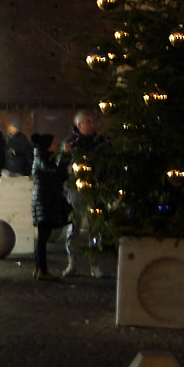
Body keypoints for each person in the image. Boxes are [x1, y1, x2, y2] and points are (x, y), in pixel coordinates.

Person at [64, 109, 108, 275]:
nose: (92, 124)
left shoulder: (99, 141)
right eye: (88, 121)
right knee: (73, 227)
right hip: (76, 190)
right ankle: (72, 263)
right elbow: (62, 164)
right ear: (79, 124)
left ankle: (95, 264)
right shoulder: (70, 142)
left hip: (96, 190)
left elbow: (106, 162)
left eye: (92, 121)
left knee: (95, 228)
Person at [28, 131, 71, 280]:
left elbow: (60, 175)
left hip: (45, 199)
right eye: (53, 143)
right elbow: (56, 174)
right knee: (43, 236)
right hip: (44, 200)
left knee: (43, 236)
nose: (55, 146)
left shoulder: (44, 158)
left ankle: (39, 268)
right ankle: (43, 271)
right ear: (47, 146)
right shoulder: (42, 158)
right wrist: (65, 156)